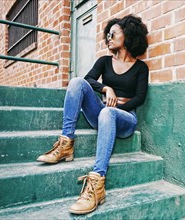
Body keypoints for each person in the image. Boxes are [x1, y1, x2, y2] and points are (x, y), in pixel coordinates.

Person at [36, 14, 149, 215]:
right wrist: (106, 89)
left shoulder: (141, 67)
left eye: (113, 33)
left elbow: (140, 97)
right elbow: (89, 79)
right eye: (108, 34)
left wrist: (113, 110)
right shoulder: (104, 61)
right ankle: (65, 144)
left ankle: (97, 184)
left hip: (125, 119)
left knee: (107, 112)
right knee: (77, 82)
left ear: (128, 35)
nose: (109, 38)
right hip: (103, 114)